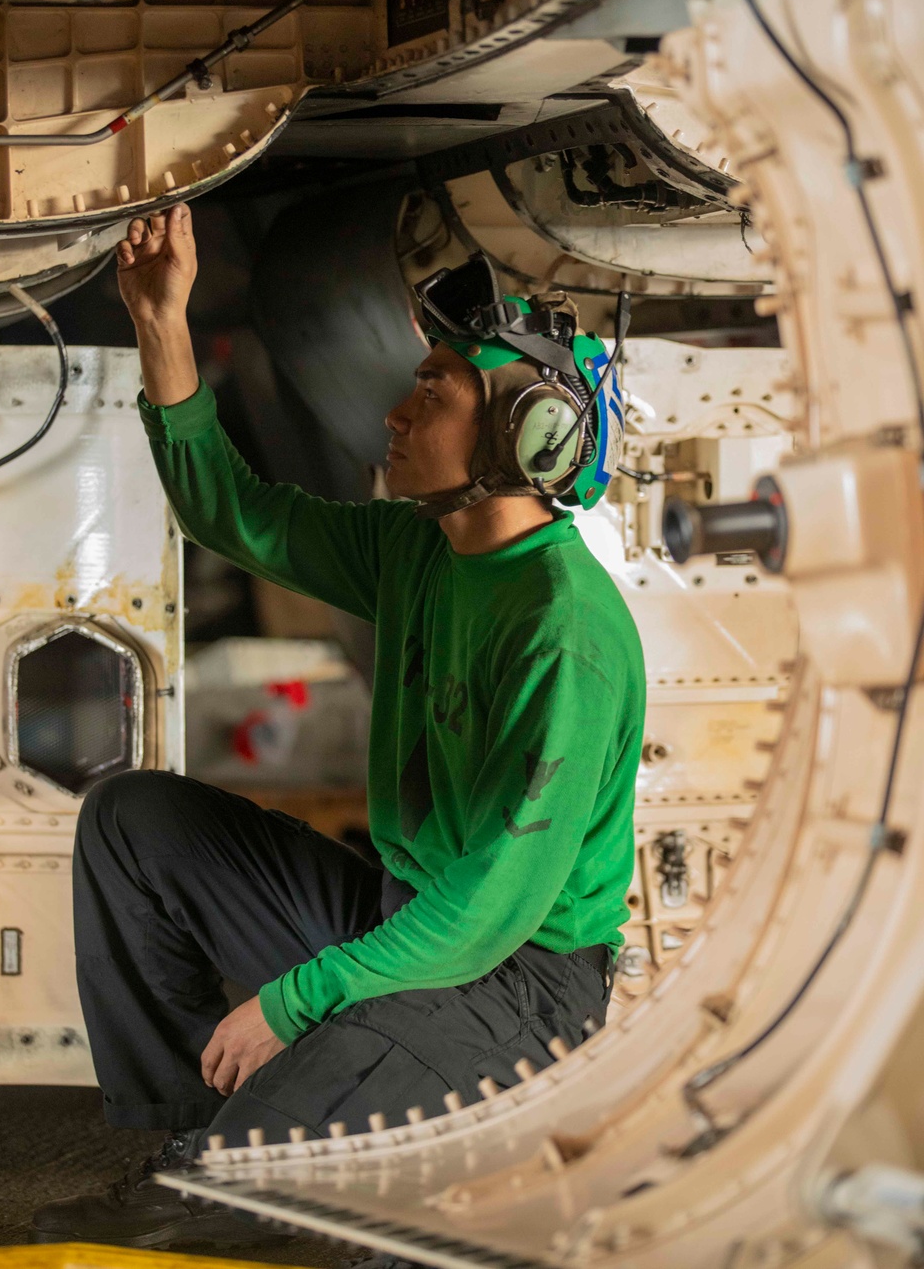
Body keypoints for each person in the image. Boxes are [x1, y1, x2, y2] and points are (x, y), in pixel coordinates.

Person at [34, 203, 645, 1248]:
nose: (395, 418)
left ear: (521, 433)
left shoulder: (562, 632)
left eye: (431, 392)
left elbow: (491, 912)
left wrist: (292, 1002)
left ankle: (225, 1172)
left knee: (240, 1210)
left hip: (517, 986)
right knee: (134, 824)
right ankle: (201, 1131)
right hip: (403, 915)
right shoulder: (419, 548)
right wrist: (160, 320)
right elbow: (233, 514)